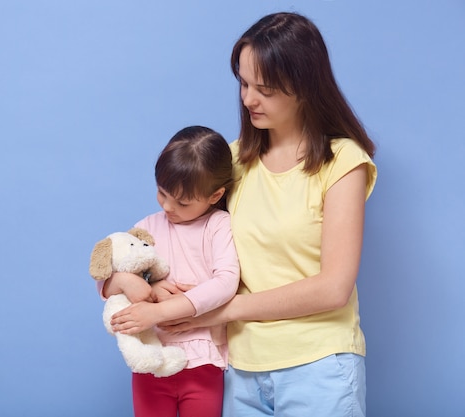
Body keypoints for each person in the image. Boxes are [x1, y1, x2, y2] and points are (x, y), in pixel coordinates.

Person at [114, 12, 378, 417]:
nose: (248, 99)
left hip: (319, 365)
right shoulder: (232, 162)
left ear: (305, 87)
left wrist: (223, 309)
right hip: (238, 371)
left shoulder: (342, 162)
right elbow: (173, 240)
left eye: (265, 89)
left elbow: (333, 288)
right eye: (243, 82)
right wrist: (135, 281)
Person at [100, 125, 240, 417]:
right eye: (162, 193)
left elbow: (226, 281)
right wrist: (132, 283)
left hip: (203, 361)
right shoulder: (147, 227)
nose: (168, 206)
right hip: (152, 357)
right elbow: (109, 284)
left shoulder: (218, 225)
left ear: (215, 195)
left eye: (183, 202)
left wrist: (161, 311)